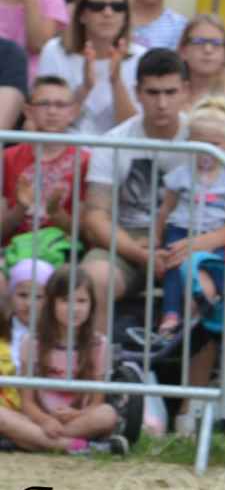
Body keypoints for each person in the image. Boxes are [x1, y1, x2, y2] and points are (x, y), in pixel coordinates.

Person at [78, 47, 190, 307]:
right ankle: (99, 349)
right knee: (93, 279)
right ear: (138, 92)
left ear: (185, 90)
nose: (161, 103)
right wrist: (138, 253)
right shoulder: (114, 141)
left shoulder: (205, 135)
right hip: (126, 238)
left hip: (189, 236)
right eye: (152, 92)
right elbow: (96, 215)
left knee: (210, 282)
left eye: (170, 92)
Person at [152, 94, 225, 338]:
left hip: (214, 233)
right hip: (181, 228)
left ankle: (206, 313)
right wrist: (155, 240)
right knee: (175, 264)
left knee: (215, 265)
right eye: (199, 144)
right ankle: (171, 314)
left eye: (214, 145)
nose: (206, 153)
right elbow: (165, 209)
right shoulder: (181, 174)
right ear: (189, 141)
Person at [18, 268, 122, 449]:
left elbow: (97, 403)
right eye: (66, 300)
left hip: (77, 421)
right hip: (39, 420)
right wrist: (45, 421)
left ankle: (33, 440)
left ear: (91, 305)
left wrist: (76, 415)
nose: (75, 309)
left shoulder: (99, 344)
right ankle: (80, 446)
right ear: (51, 304)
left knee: (107, 414)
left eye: (82, 301)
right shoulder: (32, 342)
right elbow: (27, 402)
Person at [37, 0, 142, 134]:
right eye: (97, 6)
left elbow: (134, 130)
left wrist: (116, 82)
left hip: (117, 154)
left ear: (125, 17)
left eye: (118, 7)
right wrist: (85, 87)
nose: (108, 13)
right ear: (82, 14)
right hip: (66, 151)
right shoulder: (54, 51)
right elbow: (46, 121)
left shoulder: (140, 57)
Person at [2, 77, 86, 242]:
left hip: (62, 254)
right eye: (43, 104)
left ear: (74, 112)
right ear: (28, 111)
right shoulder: (8, 157)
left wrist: (56, 213)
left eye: (60, 105)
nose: (52, 111)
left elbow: (85, 236)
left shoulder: (86, 161)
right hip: (13, 251)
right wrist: (21, 208)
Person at [177, 15, 225, 155]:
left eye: (216, 43)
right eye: (199, 41)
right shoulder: (172, 92)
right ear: (183, 51)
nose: (208, 49)